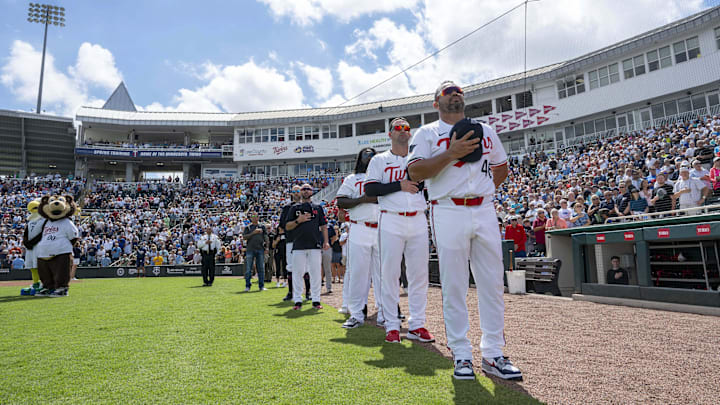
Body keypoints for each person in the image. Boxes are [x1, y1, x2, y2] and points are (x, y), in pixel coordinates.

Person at [408, 81, 522, 381]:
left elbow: (501, 167)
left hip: (484, 209)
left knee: (492, 283)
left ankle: (494, 353)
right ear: (436, 103)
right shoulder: (427, 133)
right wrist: (452, 152)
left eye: (458, 91)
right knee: (455, 284)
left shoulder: (485, 129)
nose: (454, 94)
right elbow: (415, 172)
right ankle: (461, 354)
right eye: (447, 92)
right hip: (447, 208)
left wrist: (483, 193)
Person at [366, 118, 434, 344]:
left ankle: (417, 324)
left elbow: (428, 184)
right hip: (391, 219)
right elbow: (371, 189)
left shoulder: (419, 159)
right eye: (398, 127)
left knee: (419, 274)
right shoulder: (379, 159)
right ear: (390, 134)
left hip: (417, 218)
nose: (403, 130)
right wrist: (399, 185)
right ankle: (392, 324)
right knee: (390, 273)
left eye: (406, 128)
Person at [336, 148, 383, 328]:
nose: (369, 157)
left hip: (382, 228)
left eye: (372, 155)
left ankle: (383, 312)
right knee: (358, 273)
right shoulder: (352, 179)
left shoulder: (383, 176)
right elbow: (341, 201)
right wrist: (363, 199)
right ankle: (356, 314)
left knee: (383, 275)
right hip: (360, 227)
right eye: (366, 154)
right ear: (360, 159)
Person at [285, 183, 330, 310]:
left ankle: (316, 300)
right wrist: (299, 220)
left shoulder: (318, 208)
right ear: (300, 192)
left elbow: (324, 226)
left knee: (315, 273)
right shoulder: (294, 208)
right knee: (297, 273)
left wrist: (326, 241)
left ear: (312, 191)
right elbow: (287, 226)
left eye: (308, 189)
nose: (305, 191)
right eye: (303, 189)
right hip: (298, 245)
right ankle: (297, 300)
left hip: (314, 245)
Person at [279, 185, 310, 301]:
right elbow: (282, 225)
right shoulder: (287, 208)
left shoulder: (307, 206)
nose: (297, 193)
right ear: (291, 193)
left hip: (305, 239)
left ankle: (308, 292)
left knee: (306, 267)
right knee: (291, 266)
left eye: (298, 191)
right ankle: (291, 292)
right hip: (291, 240)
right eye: (295, 191)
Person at [243, 212, 268, 292]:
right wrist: (253, 233)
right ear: (251, 218)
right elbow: (244, 237)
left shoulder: (262, 226)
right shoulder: (248, 227)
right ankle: (247, 286)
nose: (255, 218)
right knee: (248, 269)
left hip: (260, 249)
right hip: (250, 249)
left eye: (256, 216)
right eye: (253, 216)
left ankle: (261, 286)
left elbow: (266, 237)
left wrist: (267, 248)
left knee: (261, 268)